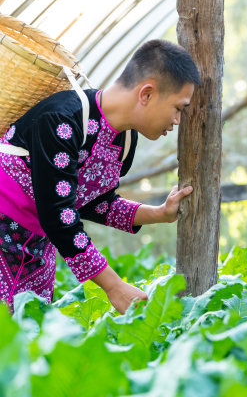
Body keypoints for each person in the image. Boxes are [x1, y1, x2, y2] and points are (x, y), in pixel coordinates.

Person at [0, 39, 200, 314]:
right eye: (178, 108)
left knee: (21, 339)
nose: (177, 120)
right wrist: (113, 286)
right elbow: (58, 214)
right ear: (147, 94)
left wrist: (159, 213)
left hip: (34, 251)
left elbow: (92, 202)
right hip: (5, 235)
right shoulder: (63, 119)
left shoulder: (125, 143)